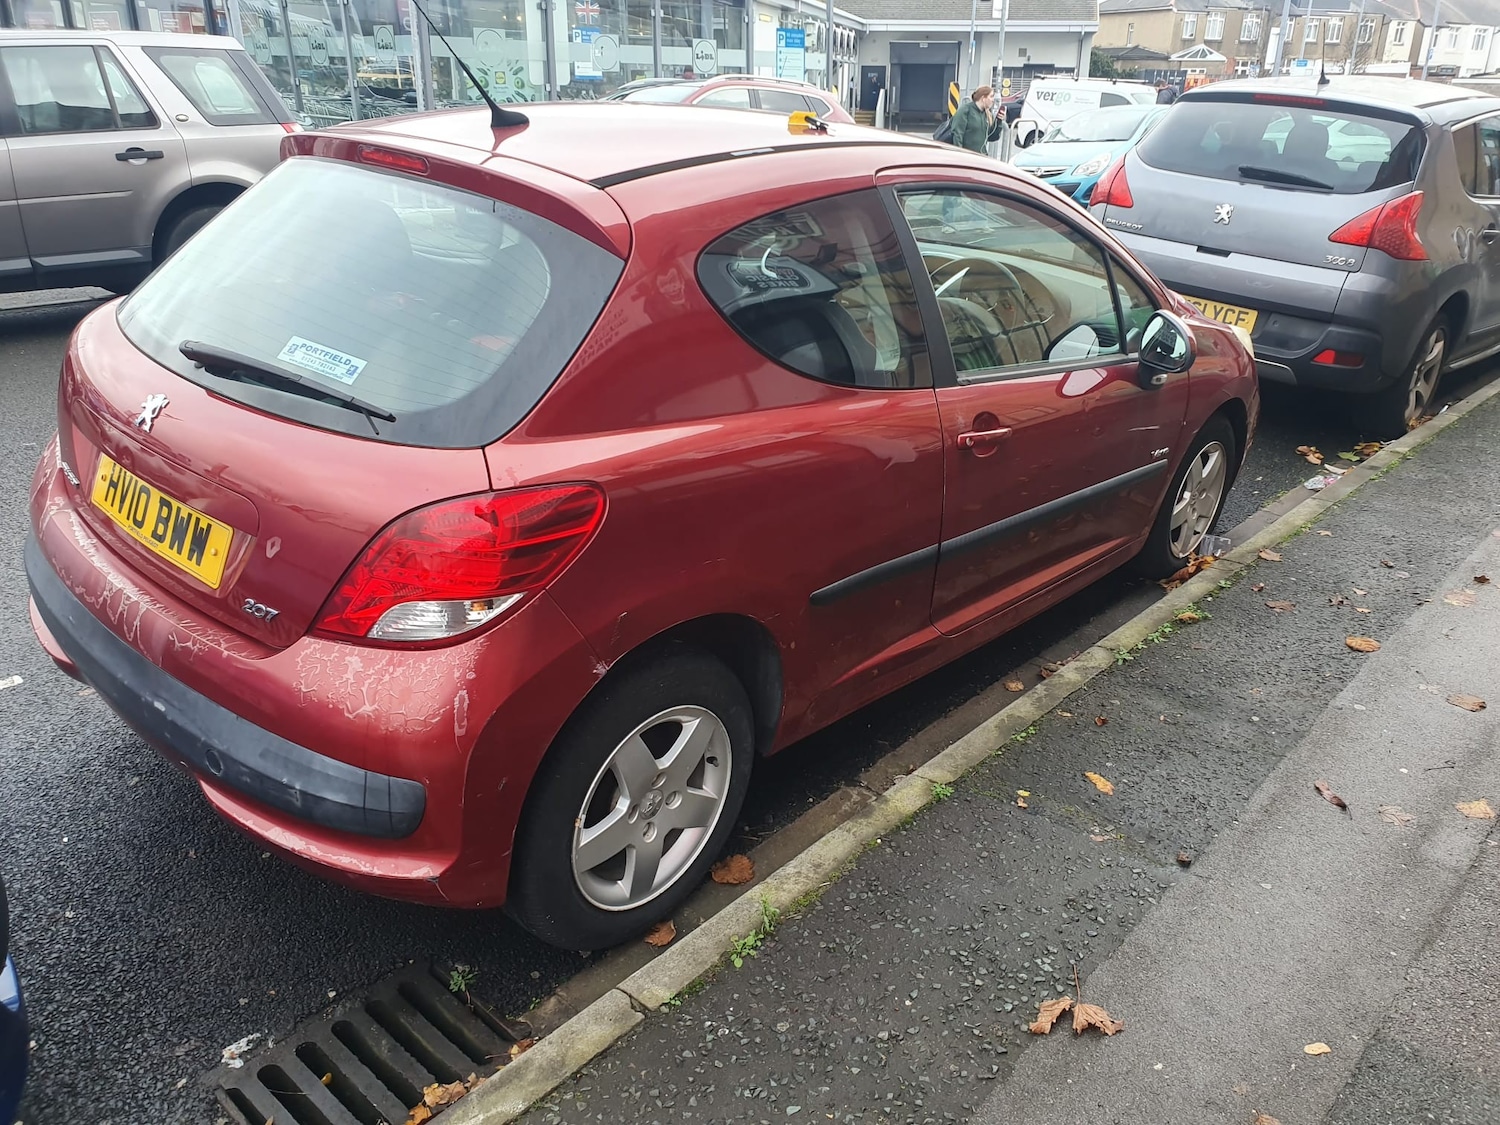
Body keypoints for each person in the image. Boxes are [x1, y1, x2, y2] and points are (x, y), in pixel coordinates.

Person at [951, 85, 995, 154]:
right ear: (983, 98)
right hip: (967, 155)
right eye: (991, 96)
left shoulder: (987, 114)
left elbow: (992, 136)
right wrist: (959, 154)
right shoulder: (965, 110)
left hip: (982, 155)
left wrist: (999, 121)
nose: (993, 100)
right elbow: (957, 134)